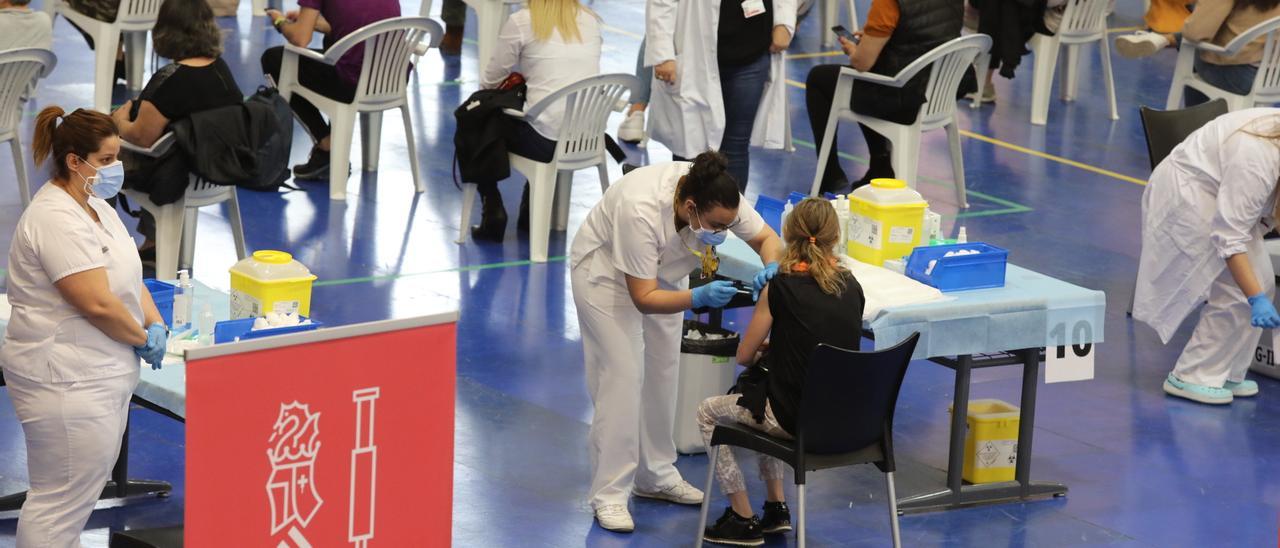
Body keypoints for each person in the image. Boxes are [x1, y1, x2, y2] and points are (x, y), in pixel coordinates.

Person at [569, 151, 783, 533]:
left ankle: (655, 474)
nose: (723, 233)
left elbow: (767, 237)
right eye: (717, 226)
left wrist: (770, 267)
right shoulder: (640, 208)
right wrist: (697, 299)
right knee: (623, 377)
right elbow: (643, 297)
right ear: (690, 207)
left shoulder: (717, 194)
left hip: (665, 273)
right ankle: (610, 494)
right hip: (606, 279)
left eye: (728, 226)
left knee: (664, 370)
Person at [0, 106, 167, 548]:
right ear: (75, 160)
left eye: (118, 157)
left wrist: (154, 321)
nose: (116, 169)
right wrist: (140, 339)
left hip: (96, 374)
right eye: (107, 159)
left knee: (74, 500)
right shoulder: (55, 217)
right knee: (59, 504)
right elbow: (95, 302)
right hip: (64, 379)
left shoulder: (96, 205)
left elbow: (127, 272)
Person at [696, 198, 864, 546]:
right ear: (835, 237)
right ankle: (776, 509)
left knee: (714, 411)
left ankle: (742, 516)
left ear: (788, 235)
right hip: (847, 421)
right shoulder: (853, 287)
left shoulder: (780, 287)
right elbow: (829, 341)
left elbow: (744, 356)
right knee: (763, 394)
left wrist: (767, 344)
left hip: (793, 420)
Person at [1133, 108, 1280, 405]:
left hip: (1218, 187)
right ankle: (1191, 376)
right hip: (1188, 193)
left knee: (1263, 281)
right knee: (1241, 290)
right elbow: (1231, 238)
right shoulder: (1258, 155)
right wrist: (1254, 298)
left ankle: (1228, 371)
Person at [111, 0, 243, 263]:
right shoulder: (221, 71)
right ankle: (153, 243)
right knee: (167, 146)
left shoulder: (170, 80)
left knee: (97, 157)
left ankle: (97, 246)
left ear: (165, 29)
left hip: (177, 175)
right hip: (215, 170)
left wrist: (118, 122)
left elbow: (141, 137)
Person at [469, 0, 603, 241]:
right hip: (584, 136)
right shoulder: (590, 20)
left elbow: (490, 81)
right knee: (545, 115)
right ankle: (530, 209)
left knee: (475, 116)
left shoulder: (522, 21)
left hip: (545, 141)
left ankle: (492, 205)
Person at [805, 0, 965, 194]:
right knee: (868, 81)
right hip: (939, 95)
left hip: (904, 100)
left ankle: (830, 175)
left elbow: (862, 63)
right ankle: (879, 165)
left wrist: (855, 50)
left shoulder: (887, 2)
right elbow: (925, 33)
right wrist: (881, 36)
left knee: (820, 78)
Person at [646, 0, 796, 191]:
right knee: (690, 147)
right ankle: (687, 219)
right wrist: (662, 53)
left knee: (736, 148)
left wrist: (784, 22)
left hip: (752, 53)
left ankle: (731, 219)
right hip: (695, 54)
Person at [261, 0, 400, 180]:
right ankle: (332, 148)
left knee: (274, 60)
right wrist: (314, 23)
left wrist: (280, 22)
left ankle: (326, 143)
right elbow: (358, 25)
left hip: (351, 83)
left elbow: (300, 39)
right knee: (334, 51)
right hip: (390, 78)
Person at [1115, 0, 1280, 107]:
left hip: (1236, 75)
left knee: (1192, 48)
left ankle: (1191, 130)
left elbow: (1195, 33)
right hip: (1272, 76)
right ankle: (1164, 39)